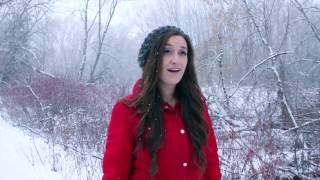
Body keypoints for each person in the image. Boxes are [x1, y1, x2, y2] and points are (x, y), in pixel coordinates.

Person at [102, 26, 221, 180]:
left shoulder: (196, 106)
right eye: (167, 51)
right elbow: (115, 175)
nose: (176, 60)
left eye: (182, 53)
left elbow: (212, 168)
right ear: (151, 59)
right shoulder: (127, 110)